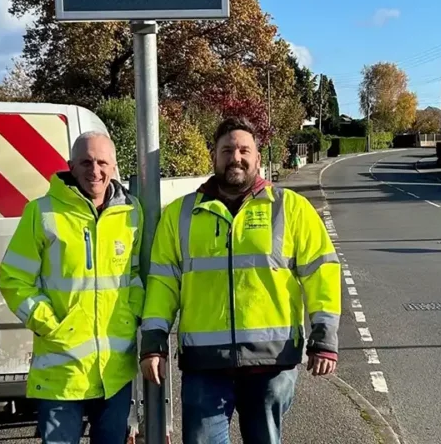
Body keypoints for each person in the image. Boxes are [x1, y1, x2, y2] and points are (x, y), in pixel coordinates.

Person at [140, 117, 341, 444]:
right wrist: (153, 342)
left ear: (258, 158)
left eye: (244, 150)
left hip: (272, 363)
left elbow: (322, 273)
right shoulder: (180, 214)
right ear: (214, 156)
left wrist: (325, 338)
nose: (236, 157)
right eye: (227, 149)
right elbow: (163, 283)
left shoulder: (291, 209)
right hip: (205, 364)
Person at [0, 131, 143, 444]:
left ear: (114, 166)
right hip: (61, 371)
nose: (95, 170)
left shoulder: (132, 214)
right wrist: (49, 324)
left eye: (102, 162)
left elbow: (135, 276)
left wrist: (131, 313)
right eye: (86, 162)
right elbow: (13, 278)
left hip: (114, 372)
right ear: (71, 166)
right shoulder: (42, 213)